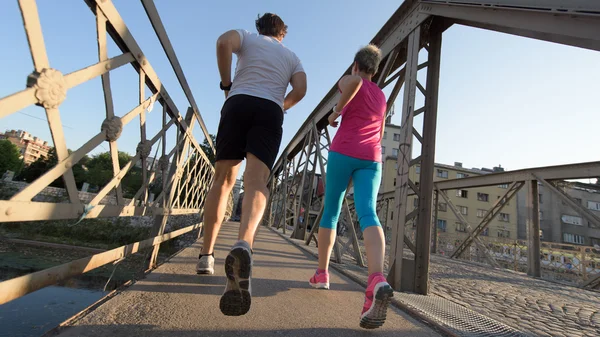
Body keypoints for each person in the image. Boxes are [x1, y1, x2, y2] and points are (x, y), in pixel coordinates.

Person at [195, 13, 307, 317]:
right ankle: (244, 243)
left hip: (238, 103)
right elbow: (301, 89)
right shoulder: (291, 56)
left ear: (261, 29)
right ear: (282, 34)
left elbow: (222, 42)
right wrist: (280, 105)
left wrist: (227, 85)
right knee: (257, 183)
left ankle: (207, 255)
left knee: (223, 181)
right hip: (269, 111)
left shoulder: (246, 36)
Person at [308, 45, 393, 329]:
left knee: (331, 210)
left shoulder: (351, 78)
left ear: (356, 64)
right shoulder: (381, 96)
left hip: (344, 152)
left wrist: (335, 113)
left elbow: (352, 84)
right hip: (372, 158)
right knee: (368, 212)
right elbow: (380, 132)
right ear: (376, 69)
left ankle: (322, 274)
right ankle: (376, 280)